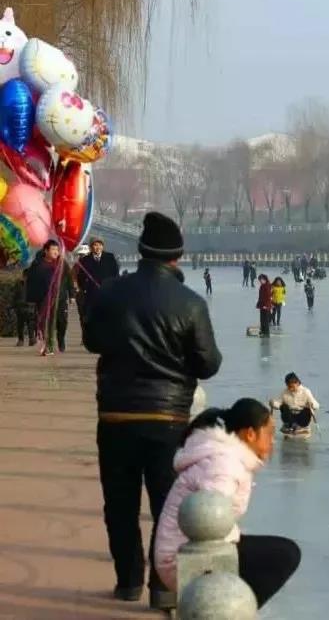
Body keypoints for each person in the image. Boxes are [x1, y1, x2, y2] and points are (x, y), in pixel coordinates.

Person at [82, 212, 222, 609]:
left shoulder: (110, 292)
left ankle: (127, 582)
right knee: (167, 505)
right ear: (177, 256)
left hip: (116, 416)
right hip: (169, 419)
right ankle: (163, 588)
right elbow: (209, 363)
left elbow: (92, 341)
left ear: (141, 251)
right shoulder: (191, 304)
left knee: (120, 503)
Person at [154, 399, 300, 608]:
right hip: (184, 558)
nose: (273, 442)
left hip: (187, 549)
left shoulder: (226, 458)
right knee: (284, 554)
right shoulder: (224, 466)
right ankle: (234, 610)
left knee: (276, 552)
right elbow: (208, 517)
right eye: (269, 433)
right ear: (250, 433)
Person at [26, 239, 75, 355]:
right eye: (53, 249)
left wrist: (72, 295)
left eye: (57, 249)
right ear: (46, 251)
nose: (56, 252)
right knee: (46, 323)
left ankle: (61, 339)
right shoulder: (37, 264)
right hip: (43, 299)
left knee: (61, 321)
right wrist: (32, 298)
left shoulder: (62, 263)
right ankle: (49, 346)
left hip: (60, 298)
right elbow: (31, 281)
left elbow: (69, 280)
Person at [76, 237, 120, 325]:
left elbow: (115, 274)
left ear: (103, 246)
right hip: (91, 294)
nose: (98, 247)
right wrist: (85, 288)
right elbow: (80, 277)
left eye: (100, 245)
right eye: (95, 245)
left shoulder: (110, 258)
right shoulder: (85, 260)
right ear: (91, 247)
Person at [13, 268, 36, 346]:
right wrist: (15, 305)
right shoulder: (18, 284)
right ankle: (21, 340)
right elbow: (15, 295)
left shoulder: (34, 284)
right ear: (23, 276)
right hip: (21, 307)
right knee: (20, 324)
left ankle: (31, 339)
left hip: (31, 306)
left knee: (31, 324)